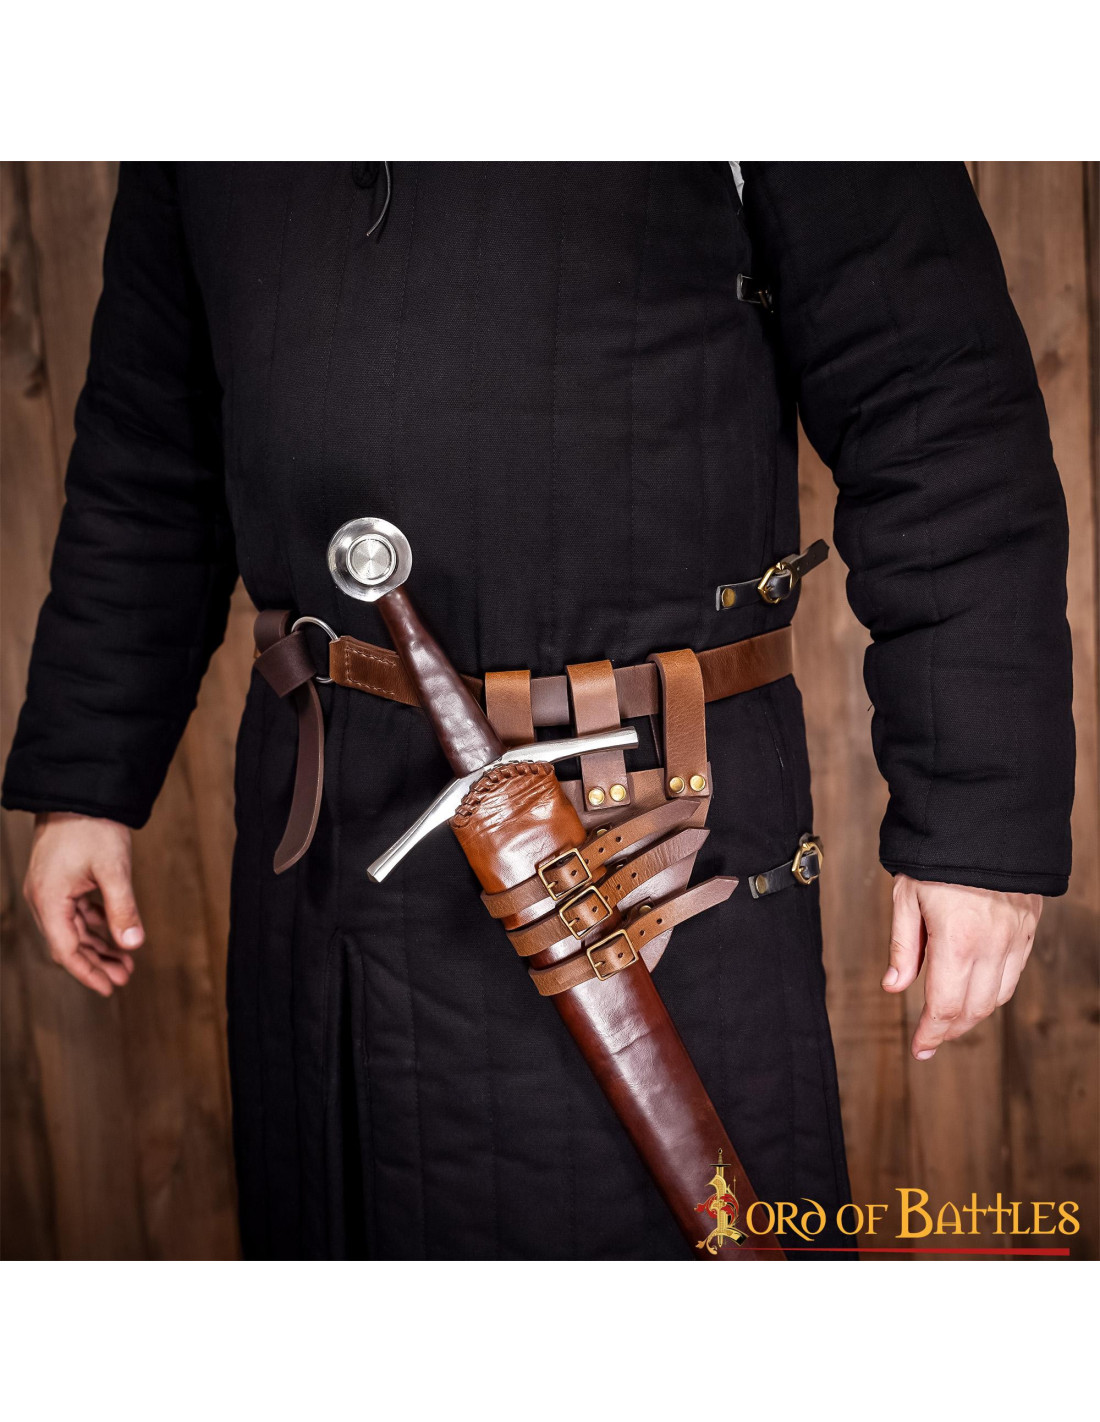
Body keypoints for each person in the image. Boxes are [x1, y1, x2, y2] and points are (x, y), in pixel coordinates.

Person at [3, 162, 1073, 1260]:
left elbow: (932, 408)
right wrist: (87, 779)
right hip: (328, 850)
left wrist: (978, 822)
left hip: (644, 843)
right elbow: (149, 452)